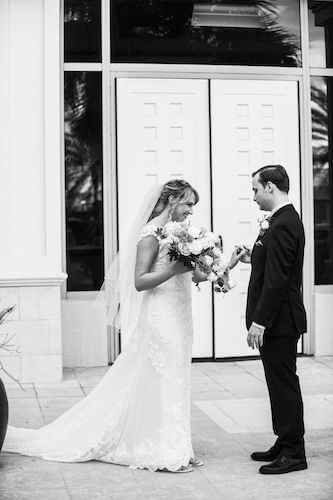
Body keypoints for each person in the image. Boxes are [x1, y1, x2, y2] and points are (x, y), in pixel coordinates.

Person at [3, 179, 243, 473]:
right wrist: (173, 269)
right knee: (164, 377)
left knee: (177, 378)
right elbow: (140, 282)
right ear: (172, 200)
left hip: (182, 317)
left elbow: (192, 277)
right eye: (188, 204)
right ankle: (164, 451)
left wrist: (227, 264)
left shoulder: (182, 235)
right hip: (160, 318)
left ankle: (179, 446)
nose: (191, 212)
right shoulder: (151, 234)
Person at [240, 165, 307, 474]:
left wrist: (260, 322)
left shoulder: (283, 223)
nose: (253, 197)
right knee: (277, 384)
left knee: (283, 385)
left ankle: (294, 452)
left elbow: (278, 280)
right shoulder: (280, 221)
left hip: (279, 322)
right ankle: (284, 440)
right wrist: (252, 255)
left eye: (255, 189)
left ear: (269, 187)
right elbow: (276, 263)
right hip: (278, 320)